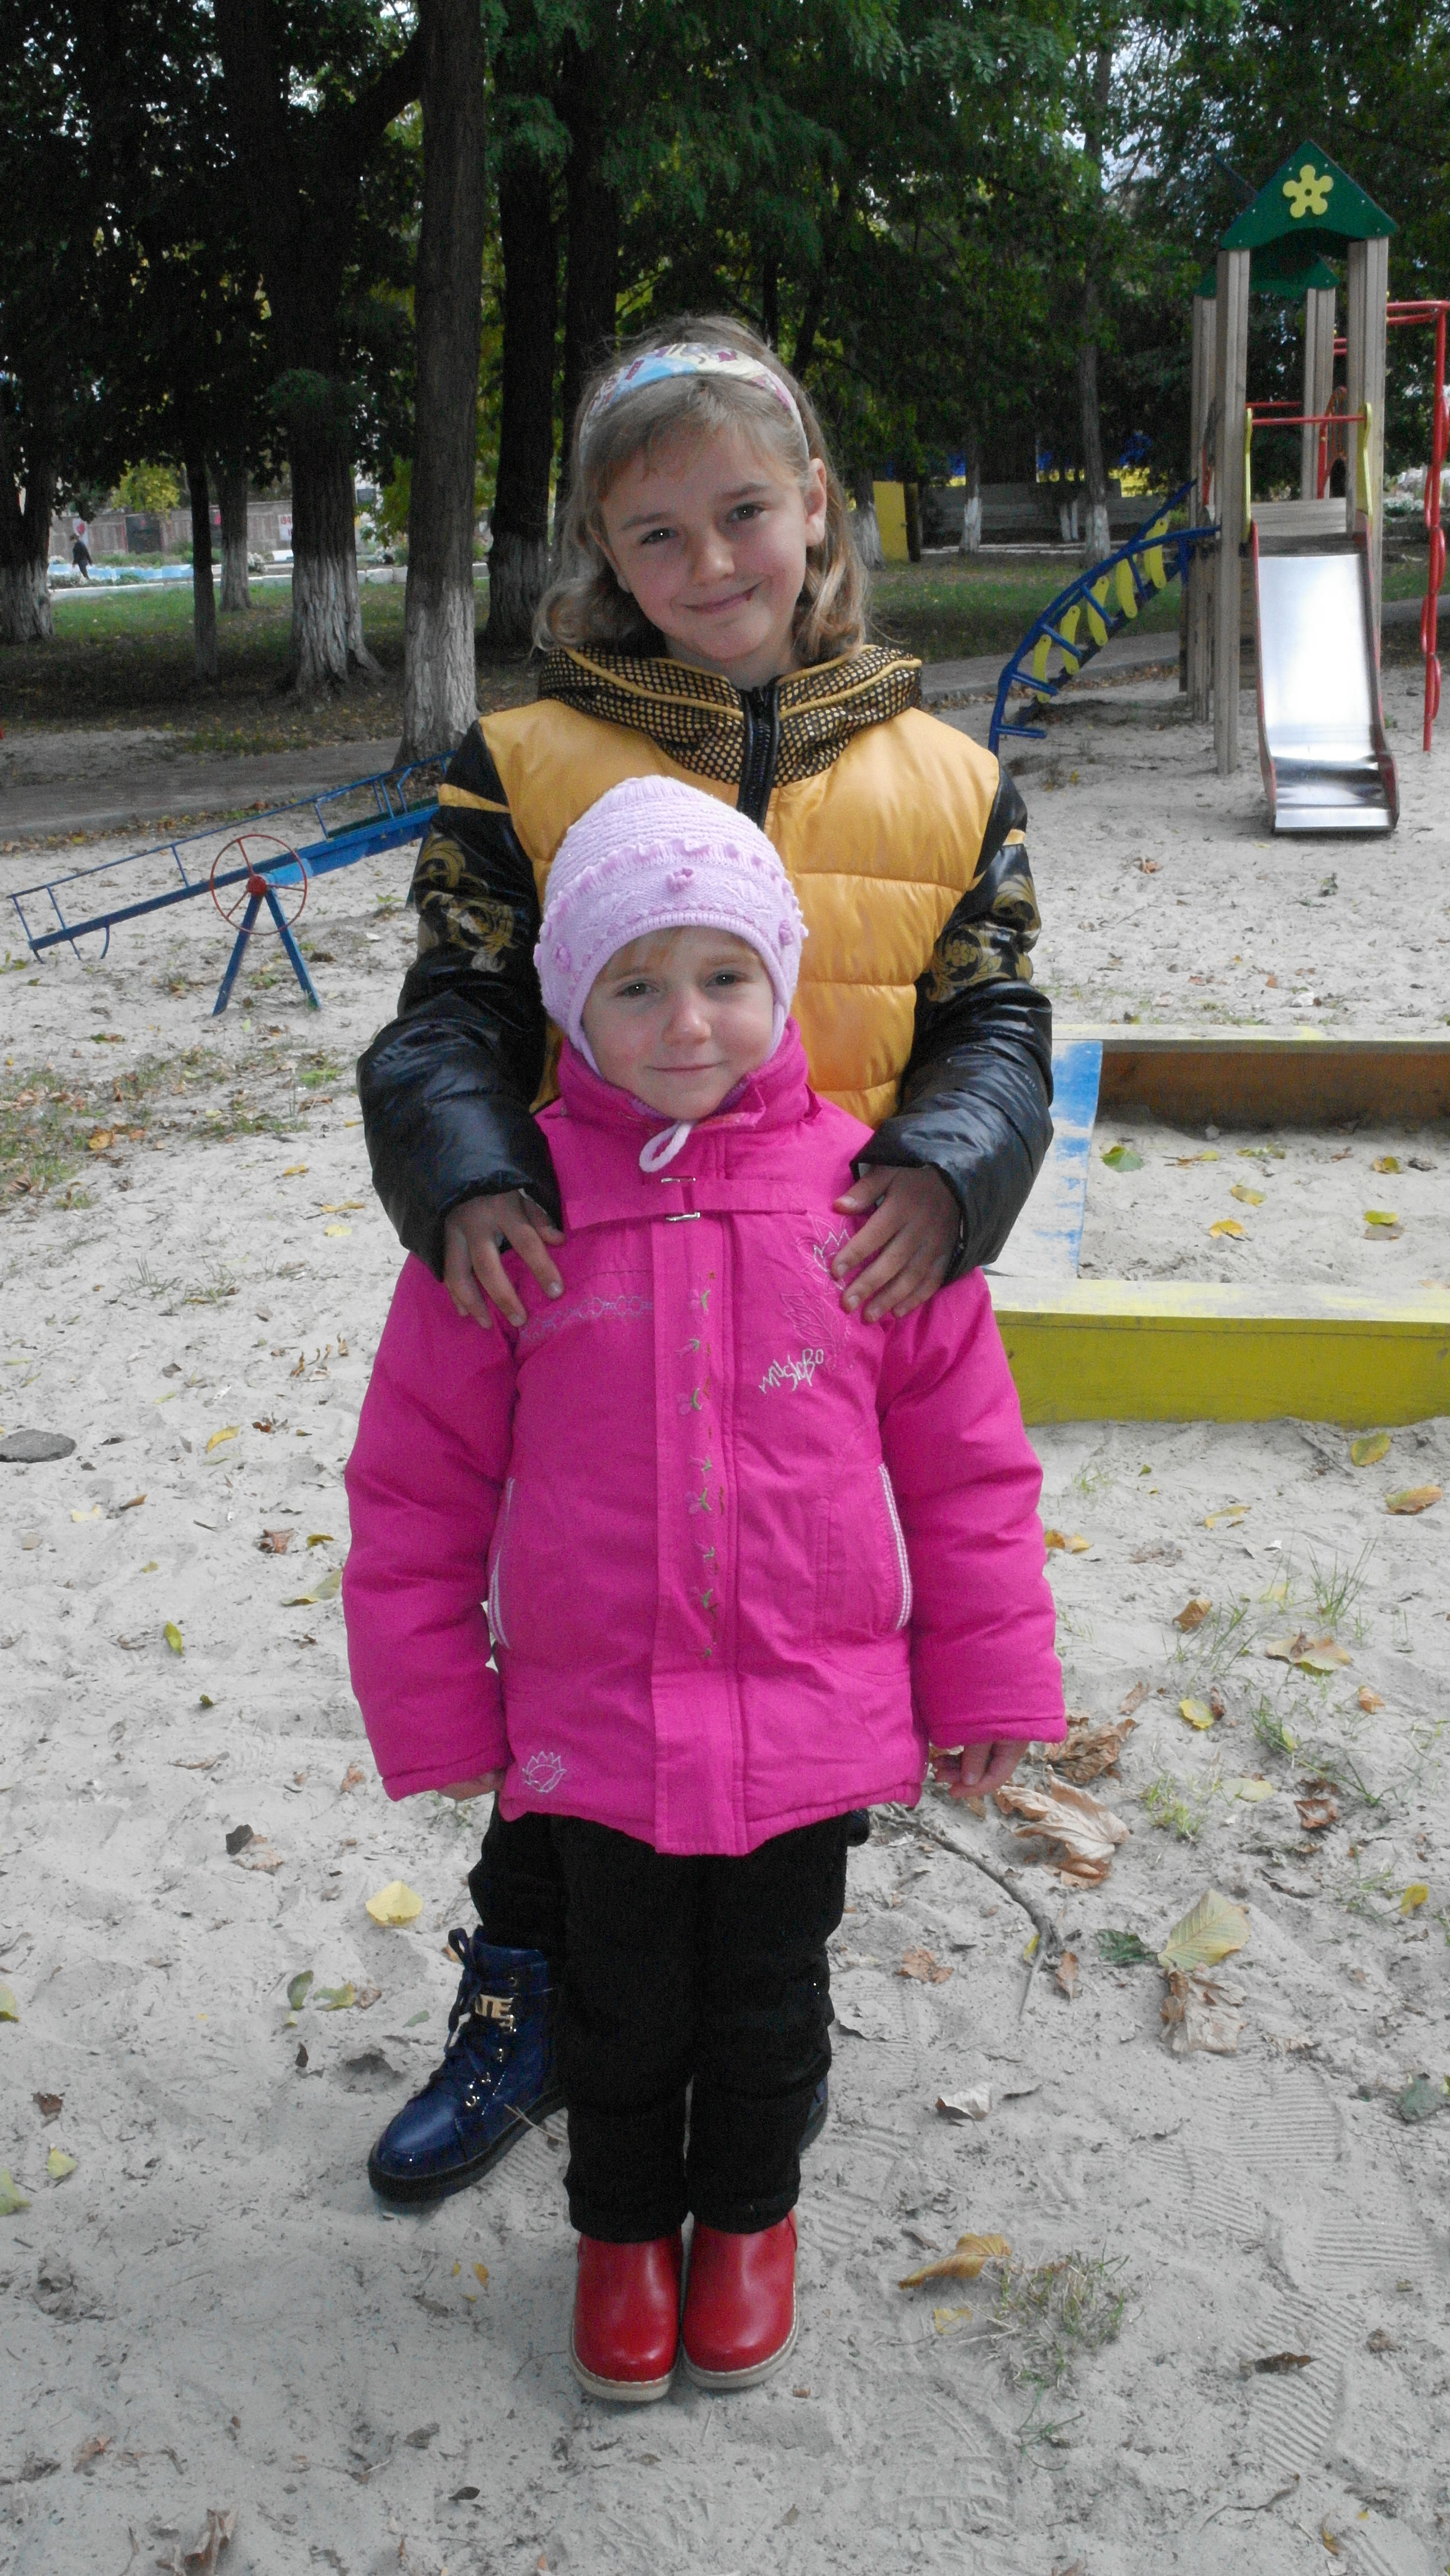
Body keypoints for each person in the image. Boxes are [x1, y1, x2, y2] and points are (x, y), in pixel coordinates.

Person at [356, 315, 1056, 2209]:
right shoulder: (526, 761)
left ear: (816, 505)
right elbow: (449, 1015)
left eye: (745, 511)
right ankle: (526, 2006)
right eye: (655, 533)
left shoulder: (948, 779)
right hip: (582, 1297)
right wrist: (467, 1178)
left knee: (781, 1698)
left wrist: (948, 1171)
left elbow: (996, 1025)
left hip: (832, 1293)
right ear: (602, 547)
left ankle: (759, 2046)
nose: (711, 562)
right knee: (576, 1698)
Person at [344, 779, 1064, 2399]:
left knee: (767, 2001)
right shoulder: (509, 1214)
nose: (686, 1021)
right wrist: (440, 1705)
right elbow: (415, 1487)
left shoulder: (873, 1201)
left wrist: (993, 1681)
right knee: (619, 2006)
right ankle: (621, 2238)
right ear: (567, 1003)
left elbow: (967, 1471)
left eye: (724, 975)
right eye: (637, 983)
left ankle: (746, 2222)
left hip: (810, 1715)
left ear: (781, 976)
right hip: (595, 1725)